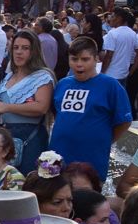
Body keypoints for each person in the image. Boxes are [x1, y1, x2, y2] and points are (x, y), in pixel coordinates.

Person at [45, 38, 131, 183]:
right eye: (74, 59)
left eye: (85, 59)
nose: (79, 64)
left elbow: (124, 121)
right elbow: (57, 113)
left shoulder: (110, 85)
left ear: (96, 59)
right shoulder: (62, 84)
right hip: (58, 156)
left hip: (92, 158)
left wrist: (104, 140)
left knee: (89, 200)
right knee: (55, 197)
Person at [0, 32, 54, 168]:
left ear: (34, 51)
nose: (19, 52)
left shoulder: (42, 76)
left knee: (25, 183)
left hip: (29, 138)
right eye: (16, 47)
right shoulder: (10, 75)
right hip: (6, 135)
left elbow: (41, 107)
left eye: (25, 48)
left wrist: (7, 107)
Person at [100, 7, 138, 112]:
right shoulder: (132, 33)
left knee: (107, 105)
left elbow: (109, 56)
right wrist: (131, 71)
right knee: (119, 104)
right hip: (123, 75)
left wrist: (102, 72)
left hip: (110, 75)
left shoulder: (112, 33)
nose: (110, 19)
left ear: (119, 18)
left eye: (112, 16)